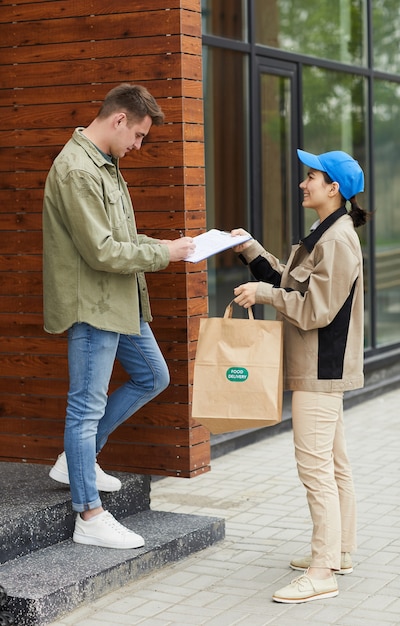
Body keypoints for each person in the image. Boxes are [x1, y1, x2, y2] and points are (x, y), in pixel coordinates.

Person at [43, 83, 195, 549]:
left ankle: (78, 461)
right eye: (139, 136)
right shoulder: (77, 171)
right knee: (84, 407)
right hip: (94, 304)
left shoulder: (106, 165)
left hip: (120, 301)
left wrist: (172, 246)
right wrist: (164, 253)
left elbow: (120, 238)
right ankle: (88, 515)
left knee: (153, 375)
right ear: (118, 120)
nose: (138, 146)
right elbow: (103, 252)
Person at [232, 149, 368, 603]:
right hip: (318, 366)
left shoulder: (337, 241)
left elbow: (315, 310)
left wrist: (264, 294)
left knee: (316, 470)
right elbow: (294, 285)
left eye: (311, 177)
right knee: (333, 465)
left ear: (334, 189)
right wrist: (252, 251)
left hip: (319, 369)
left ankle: (322, 570)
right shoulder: (325, 233)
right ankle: (340, 550)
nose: (302, 183)